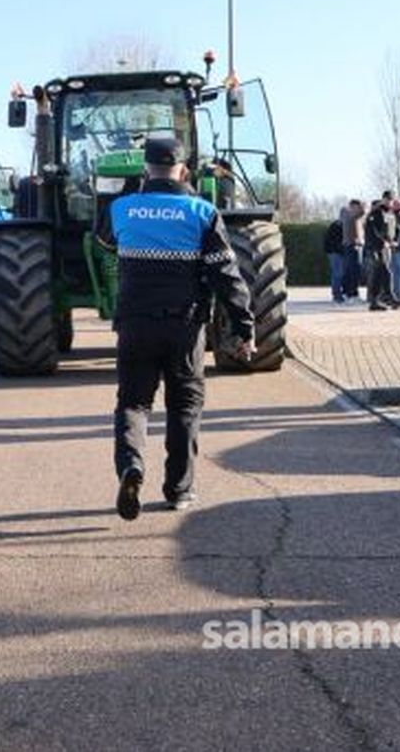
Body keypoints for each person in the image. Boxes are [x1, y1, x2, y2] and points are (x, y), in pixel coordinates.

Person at [110, 138, 254, 520]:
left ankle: (131, 466)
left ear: (146, 170)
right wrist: (244, 325)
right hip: (184, 326)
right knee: (184, 407)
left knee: (133, 402)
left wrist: (129, 191)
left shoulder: (121, 209)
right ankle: (179, 490)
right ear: (184, 170)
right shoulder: (201, 211)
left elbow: (105, 239)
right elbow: (226, 274)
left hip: (135, 323)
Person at [365, 193, 400, 311]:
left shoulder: (391, 213)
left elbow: (396, 229)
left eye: (391, 200)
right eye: (387, 199)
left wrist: (395, 241)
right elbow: (372, 231)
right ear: (383, 199)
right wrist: (381, 242)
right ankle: (383, 297)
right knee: (382, 271)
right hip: (377, 247)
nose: (389, 202)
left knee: (383, 272)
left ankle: (384, 298)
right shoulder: (376, 213)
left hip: (387, 247)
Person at [340, 199, 364, 301]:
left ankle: (348, 293)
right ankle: (352, 294)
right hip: (352, 245)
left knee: (351, 270)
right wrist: (364, 208)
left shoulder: (348, 215)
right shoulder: (350, 216)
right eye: (357, 207)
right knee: (353, 271)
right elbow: (361, 214)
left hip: (352, 245)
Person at [323, 216, 346, 303]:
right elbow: (334, 240)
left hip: (336, 251)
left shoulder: (338, 224)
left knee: (339, 273)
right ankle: (337, 294)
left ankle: (338, 293)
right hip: (334, 252)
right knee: (338, 273)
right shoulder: (337, 225)